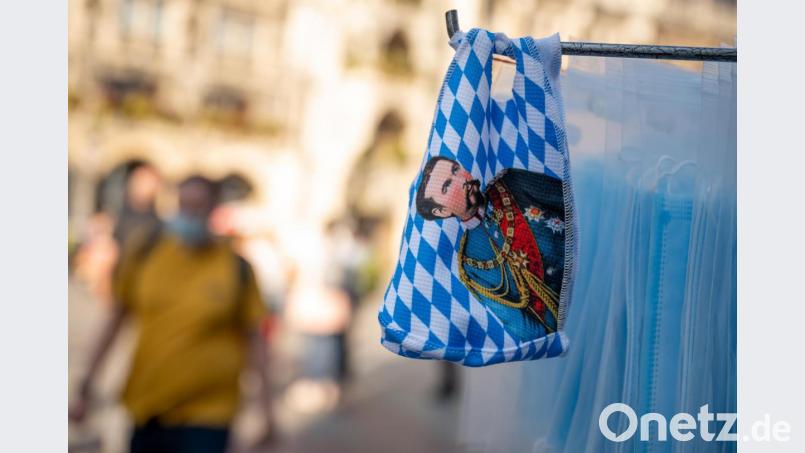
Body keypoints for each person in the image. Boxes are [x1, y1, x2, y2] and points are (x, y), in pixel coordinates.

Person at [70, 175, 272, 453]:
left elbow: (255, 339)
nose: (190, 214)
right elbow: (116, 320)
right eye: (184, 205)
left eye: (199, 206)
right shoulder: (146, 252)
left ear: (213, 209)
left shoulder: (235, 267)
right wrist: (87, 384)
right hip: (148, 405)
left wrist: (266, 410)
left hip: (210, 414)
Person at [415, 156, 566, 342]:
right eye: (447, 185)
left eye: (456, 169)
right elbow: (523, 327)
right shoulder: (471, 265)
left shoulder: (512, 182)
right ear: (442, 211)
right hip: (566, 323)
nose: (462, 180)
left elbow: (571, 201)